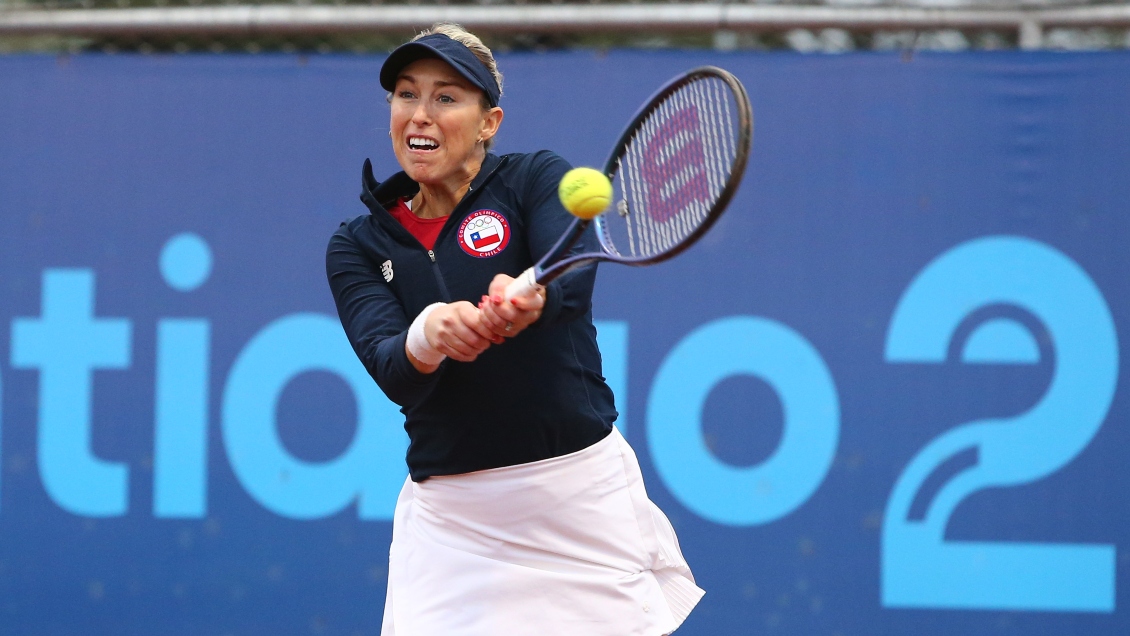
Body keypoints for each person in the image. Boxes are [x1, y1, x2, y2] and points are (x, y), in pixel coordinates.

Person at [326, 23, 703, 635]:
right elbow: (390, 364)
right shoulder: (358, 244)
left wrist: (533, 299)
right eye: (406, 94)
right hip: (452, 521)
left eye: (447, 97)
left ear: (488, 122)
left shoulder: (532, 178)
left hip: (575, 498)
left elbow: (571, 280)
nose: (420, 114)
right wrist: (429, 335)